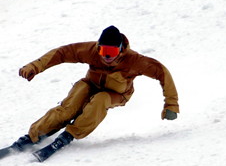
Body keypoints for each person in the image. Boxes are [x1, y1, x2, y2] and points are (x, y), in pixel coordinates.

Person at [12, 25, 179, 157]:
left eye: (111, 52)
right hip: (90, 84)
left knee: (100, 100)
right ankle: (35, 133)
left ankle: (70, 134)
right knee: (69, 107)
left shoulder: (134, 61)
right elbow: (63, 53)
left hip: (116, 94)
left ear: (120, 49)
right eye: (103, 51)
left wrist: (171, 104)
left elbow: (162, 73)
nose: (106, 56)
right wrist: (35, 66)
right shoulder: (90, 51)